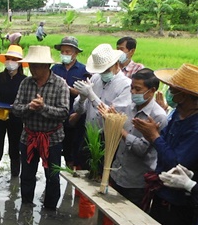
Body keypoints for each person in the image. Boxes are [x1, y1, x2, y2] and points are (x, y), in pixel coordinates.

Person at [133, 63, 198, 225]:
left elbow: (177, 163)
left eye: (174, 89)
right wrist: (157, 134)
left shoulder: (195, 127)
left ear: (186, 96)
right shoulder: (176, 115)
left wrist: (154, 137)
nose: (170, 92)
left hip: (179, 202)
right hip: (161, 192)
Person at [99, 68, 168, 225]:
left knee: (140, 221)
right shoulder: (129, 108)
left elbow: (141, 149)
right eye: (132, 88)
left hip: (139, 178)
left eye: (138, 89)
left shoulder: (158, 117)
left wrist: (120, 129)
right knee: (117, 213)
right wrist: (111, 120)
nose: (133, 93)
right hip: (120, 171)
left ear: (152, 90)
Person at [12, 46, 69, 210]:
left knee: (52, 176)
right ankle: (26, 206)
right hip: (28, 137)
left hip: (52, 140)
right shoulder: (26, 83)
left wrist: (43, 108)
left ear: (46, 66)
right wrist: (30, 107)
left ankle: (50, 210)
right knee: (27, 175)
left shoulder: (60, 85)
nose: (31, 69)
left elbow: (64, 113)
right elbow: (16, 108)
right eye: (30, 65)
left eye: (35, 65)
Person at [73, 44, 131, 170]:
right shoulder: (95, 78)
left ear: (116, 64)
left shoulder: (126, 86)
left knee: (101, 175)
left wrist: (92, 95)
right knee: (82, 172)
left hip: (108, 139)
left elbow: (113, 116)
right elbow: (78, 109)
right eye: (101, 71)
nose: (103, 73)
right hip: (89, 135)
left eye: (106, 70)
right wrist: (82, 98)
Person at [0, 45, 26, 183]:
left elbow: (26, 101)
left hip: (16, 119)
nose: (11, 61)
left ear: (19, 62)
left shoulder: (24, 80)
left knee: (15, 150)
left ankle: (14, 181)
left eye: (14, 59)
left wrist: (17, 108)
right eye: (8, 58)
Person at [51, 36, 89, 169]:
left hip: (76, 115)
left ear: (76, 53)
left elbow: (87, 93)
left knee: (72, 152)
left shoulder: (84, 71)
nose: (65, 54)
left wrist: (67, 89)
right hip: (57, 115)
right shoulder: (55, 69)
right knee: (55, 149)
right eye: (63, 52)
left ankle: (70, 182)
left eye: (68, 52)